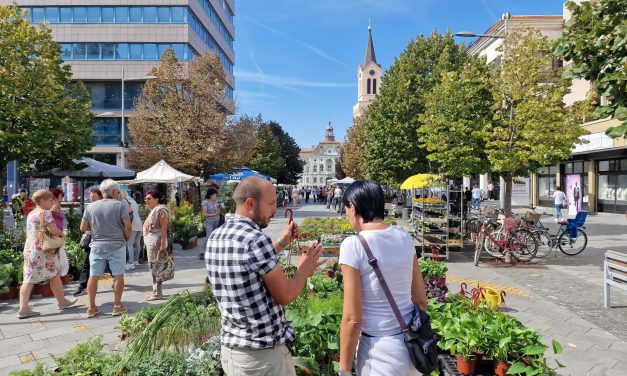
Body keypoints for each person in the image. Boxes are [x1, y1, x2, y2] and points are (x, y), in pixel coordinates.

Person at [205, 177, 324, 376]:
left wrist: (282, 242)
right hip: (263, 357)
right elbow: (285, 295)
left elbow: (250, 263)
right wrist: (304, 269)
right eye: (270, 204)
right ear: (251, 203)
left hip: (235, 350)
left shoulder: (218, 235)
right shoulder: (255, 239)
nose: (274, 210)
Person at [338, 180, 427, 376]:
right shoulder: (404, 237)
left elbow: (353, 319)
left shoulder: (352, 245)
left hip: (378, 352)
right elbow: (420, 300)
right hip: (412, 348)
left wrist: (343, 370)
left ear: (352, 208)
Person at [17, 189, 78, 319]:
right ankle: (59, 302)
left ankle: (25, 308)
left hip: (30, 249)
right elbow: (53, 230)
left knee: (29, 278)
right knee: (53, 274)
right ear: (43, 200)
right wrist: (62, 234)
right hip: (45, 250)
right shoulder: (46, 213)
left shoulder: (32, 213)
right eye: (50, 200)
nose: (52, 202)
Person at [80, 179, 131, 318]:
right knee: (118, 276)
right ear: (114, 191)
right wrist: (126, 238)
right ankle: (117, 306)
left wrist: (96, 229)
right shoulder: (120, 205)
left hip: (97, 245)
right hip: (117, 244)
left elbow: (83, 228)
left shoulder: (90, 207)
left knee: (93, 276)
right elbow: (128, 226)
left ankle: (91, 307)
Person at [73, 188, 103, 297]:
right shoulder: (89, 208)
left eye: (94, 197)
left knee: (109, 262)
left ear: (100, 197)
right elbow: (83, 226)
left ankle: (118, 280)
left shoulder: (104, 208)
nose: (92, 198)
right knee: (87, 262)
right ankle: (82, 285)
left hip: (104, 240)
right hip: (92, 239)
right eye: (90, 197)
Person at [143, 190, 171, 301]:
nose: (146, 200)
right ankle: (156, 291)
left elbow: (164, 229)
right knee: (153, 267)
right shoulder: (154, 210)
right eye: (146, 198)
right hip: (151, 242)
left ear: (156, 199)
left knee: (156, 268)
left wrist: (162, 244)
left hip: (157, 242)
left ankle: (157, 293)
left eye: (149, 198)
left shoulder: (161, 210)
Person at [119, 190, 142, 271]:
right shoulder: (133, 201)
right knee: (137, 243)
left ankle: (130, 262)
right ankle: (136, 261)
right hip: (139, 223)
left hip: (132, 223)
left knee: (129, 243)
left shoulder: (124, 201)